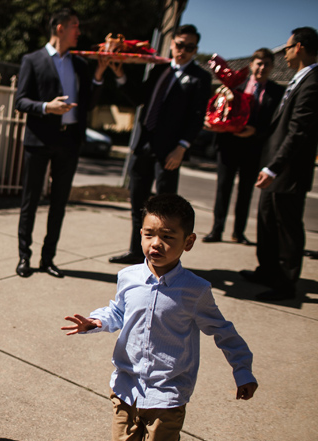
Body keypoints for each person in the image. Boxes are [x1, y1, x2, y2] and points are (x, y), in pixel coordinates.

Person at [62, 194, 258, 441]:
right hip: (126, 388)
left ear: (188, 242)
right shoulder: (129, 277)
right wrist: (96, 321)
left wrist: (242, 369)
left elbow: (223, 331)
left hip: (168, 394)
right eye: (149, 234)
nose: (156, 244)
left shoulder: (195, 290)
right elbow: (118, 311)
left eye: (168, 237)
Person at [108, 25, 212, 265]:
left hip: (170, 152)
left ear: (195, 49)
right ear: (172, 44)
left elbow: (197, 118)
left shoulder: (200, 78)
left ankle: (164, 258)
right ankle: (136, 251)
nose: (182, 50)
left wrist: (182, 147)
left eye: (189, 47)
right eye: (179, 44)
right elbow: (139, 99)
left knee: (166, 210)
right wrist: (120, 74)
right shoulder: (159, 70)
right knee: (138, 203)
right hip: (143, 146)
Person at [14, 7, 105, 278]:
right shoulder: (32, 60)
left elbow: (89, 104)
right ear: (60, 28)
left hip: (70, 140)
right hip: (40, 140)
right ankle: (24, 257)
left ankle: (48, 259)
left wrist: (99, 75)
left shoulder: (81, 64)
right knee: (30, 200)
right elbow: (20, 100)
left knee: (59, 203)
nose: (79, 31)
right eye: (75, 25)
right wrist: (46, 107)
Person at [241, 27, 318, 301]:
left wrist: (273, 167)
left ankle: (286, 284)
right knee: (267, 221)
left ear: (298, 47)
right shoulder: (299, 79)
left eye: (286, 48)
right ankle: (267, 269)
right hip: (274, 165)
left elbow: (298, 132)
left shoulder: (313, 82)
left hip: (288, 171)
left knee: (287, 227)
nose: (284, 53)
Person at [203, 49, 284, 245]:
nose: (262, 67)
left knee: (246, 191)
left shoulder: (277, 92)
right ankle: (216, 229)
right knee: (223, 188)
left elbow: (275, 124)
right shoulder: (234, 85)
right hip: (228, 145)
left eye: (266, 64)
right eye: (258, 63)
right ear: (251, 65)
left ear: (272, 67)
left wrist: (255, 131)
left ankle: (238, 232)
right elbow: (220, 109)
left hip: (254, 148)